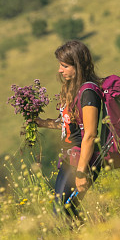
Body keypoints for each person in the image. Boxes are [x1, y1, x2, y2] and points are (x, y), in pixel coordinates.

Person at [35, 40, 103, 226]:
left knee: (62, 210)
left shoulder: (88, 92)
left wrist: (81, 173)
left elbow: (89, 134)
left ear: (78, 66)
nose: (60, 70)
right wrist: (41, 123)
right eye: (60, 65)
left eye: (65, 65)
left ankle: (92, 239)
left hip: (81, 161)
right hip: (69, 160)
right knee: (63, 210)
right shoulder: (73, 89)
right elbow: (69, 126)